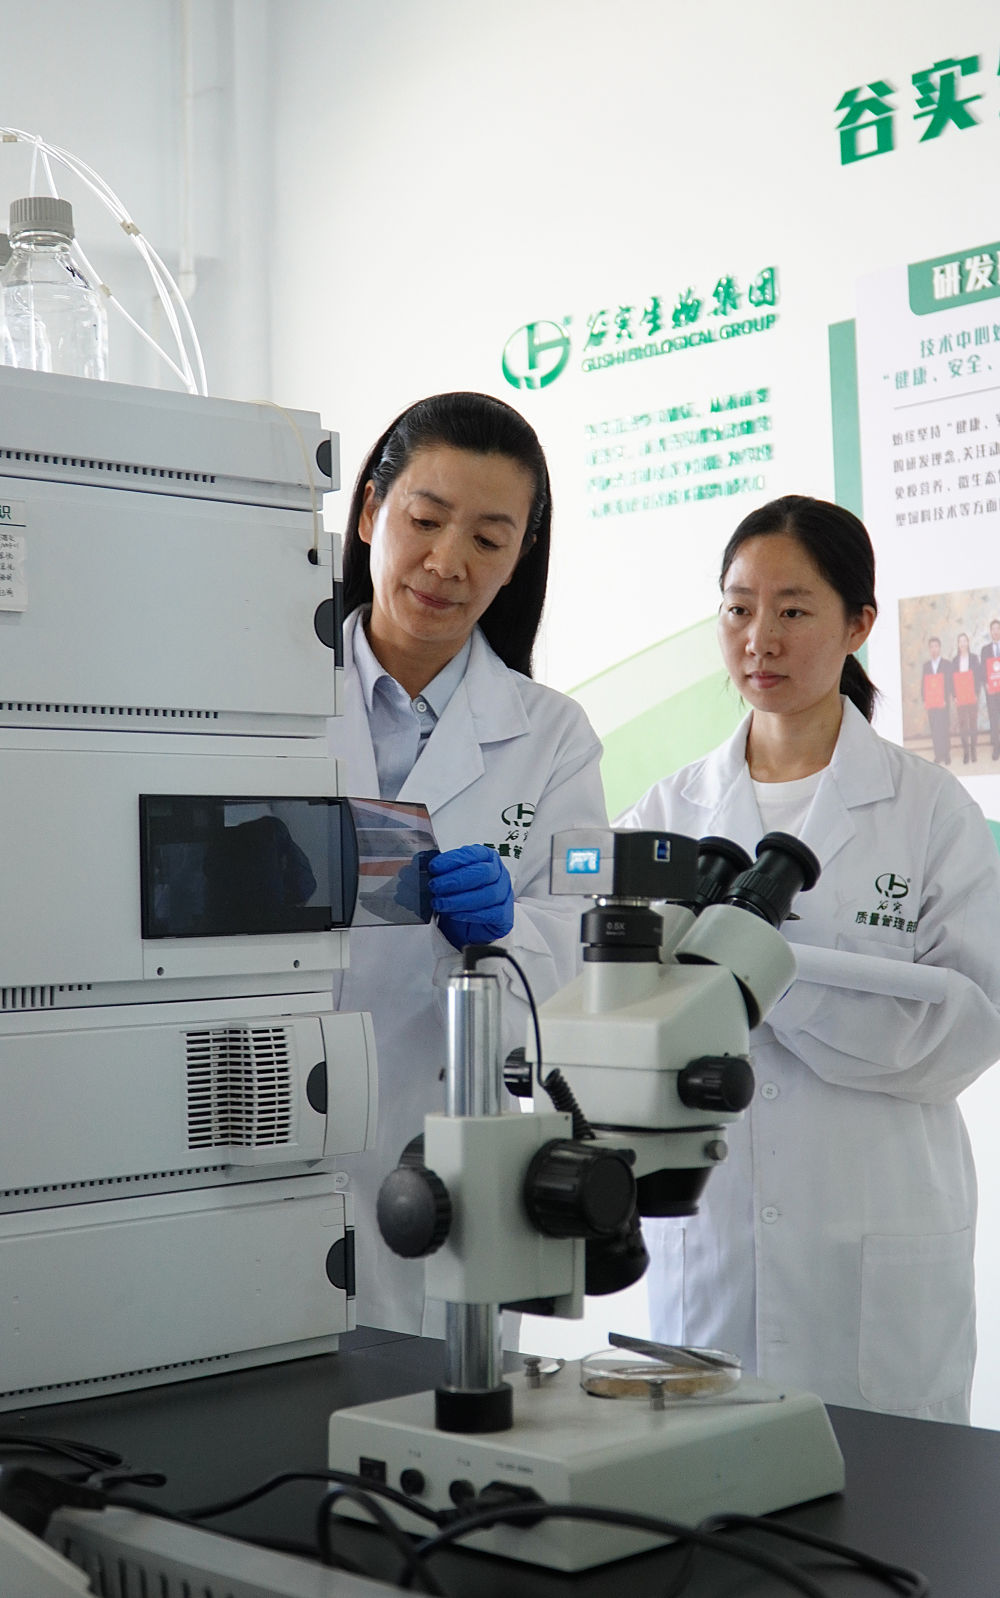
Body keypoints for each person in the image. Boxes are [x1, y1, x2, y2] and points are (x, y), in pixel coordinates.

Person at [617, 494, 1000, 1421]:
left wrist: (769, 974)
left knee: (891, 1493)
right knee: (710, 1484)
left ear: (857, 625)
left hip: (874, 1243)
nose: (761, 639)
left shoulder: (929, 810)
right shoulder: (665, 815)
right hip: (714, 1245)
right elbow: (618, 1025)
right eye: (739, 608)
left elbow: (969, 1030)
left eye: (793, 610)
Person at [330, 391, 608, 1335]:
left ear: (520, 556)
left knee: (449, 1399)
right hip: (269, 1126)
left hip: (451, 1149)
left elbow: (583, 943)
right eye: (425, 520)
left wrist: (510, 929)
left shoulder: (553, 736)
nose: (449, 563)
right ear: (371, 511)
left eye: (489, 539)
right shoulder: (262, 701)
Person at [951, 632, 982, 765]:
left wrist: (976, 693)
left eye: (965, 641)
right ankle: (966, 752)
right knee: (963, 725)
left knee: (973, 724)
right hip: (960, 699)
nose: (963, 644)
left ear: (968, 643)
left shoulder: (974, 658)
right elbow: (951, 681)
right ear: (958, 644)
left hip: (972, 696)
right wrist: (954, 696)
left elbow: (978, 677)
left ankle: (973, 750)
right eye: (960, 641)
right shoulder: (955, 661)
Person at [921, 636, 952, 765]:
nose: (934, 649)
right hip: (931, 703)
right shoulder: (926, 666)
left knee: (944, 728)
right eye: (931, 647)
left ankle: (946, 754)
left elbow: (949, 683)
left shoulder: (946, 664)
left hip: (943, 702)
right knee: (934, 729)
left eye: (936, 646)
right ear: (929, 649)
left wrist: (946, 699)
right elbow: (923, 684)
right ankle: (938, 754)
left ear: (939, 648)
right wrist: (924, 700)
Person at [980, 618, 1000, 761]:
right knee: (994, 719)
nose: (996, 631)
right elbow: (982, 670)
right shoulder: (985, 650)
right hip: (991, 692)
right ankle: (996, 747)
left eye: (998, 629)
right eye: (993, 629)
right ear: (990, 632)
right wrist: (986, 684)